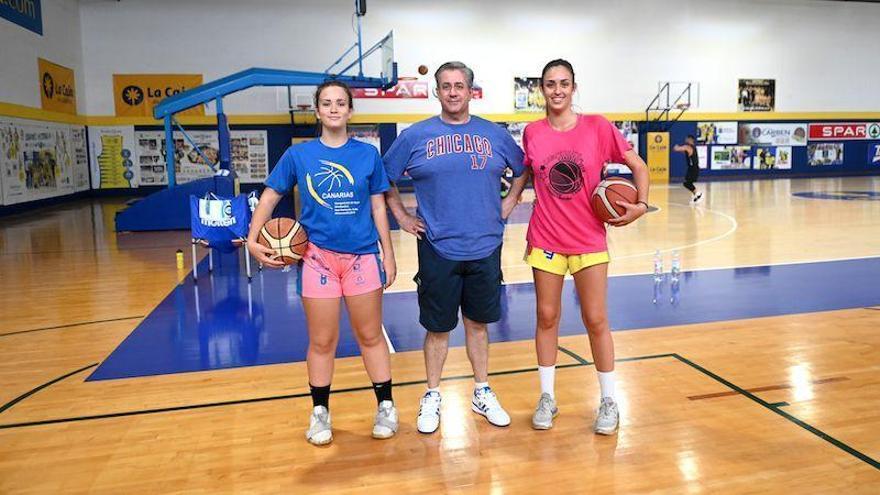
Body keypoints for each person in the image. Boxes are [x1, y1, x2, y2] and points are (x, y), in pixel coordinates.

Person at [246, 81, 398, 446]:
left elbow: (378, 206)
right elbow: (268, 198)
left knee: (370, 335)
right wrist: (252, 239)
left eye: (340, 103)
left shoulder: (367, 155)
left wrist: (388, 253)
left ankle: (386, 405)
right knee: (322, 340)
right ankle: (319, 412)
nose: (333, 109)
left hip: (362, 256)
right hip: (317, 259)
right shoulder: (299, 156)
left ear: (350, 111)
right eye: (326, 103)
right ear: (316, 110)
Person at [383, 61, 526, 434]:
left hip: (485, 243)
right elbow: (384, 177)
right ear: (437, 91)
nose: (452, 92)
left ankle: (482, 389)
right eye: (445, 86)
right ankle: (432, 394)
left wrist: (509, 202)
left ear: (470, 91)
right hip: (437, 246)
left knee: (478, 325)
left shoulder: (494, 134)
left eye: (458, 86)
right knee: (438, 327)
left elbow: (523, 168)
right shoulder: (416, 136)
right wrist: (400, 215)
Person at [508, 59, 650, 434]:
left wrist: (640, 205)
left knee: (596, 319)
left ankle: (608, 400)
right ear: (542, 89)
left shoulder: (598, 127)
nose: (557, 90)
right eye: (550, 84)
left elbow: (639, 167)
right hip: (546, 238)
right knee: (547, 317)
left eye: (564, 83)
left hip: (588, 238)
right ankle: (547, 398)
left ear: (574, 87)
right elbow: (527, 171)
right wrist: (510, 199)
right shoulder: (533, 132)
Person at [673, 135, 703, 203]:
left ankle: (697, 193)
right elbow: (686, 152)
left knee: (687, 183)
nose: (685, 139)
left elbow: (677, 149)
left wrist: (676, 147)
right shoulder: (693, 147)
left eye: (687, 138)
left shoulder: (688, 147)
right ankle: (696, 195)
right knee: (688, 183)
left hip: (693, 168)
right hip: (693, 168)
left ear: (690, 139)